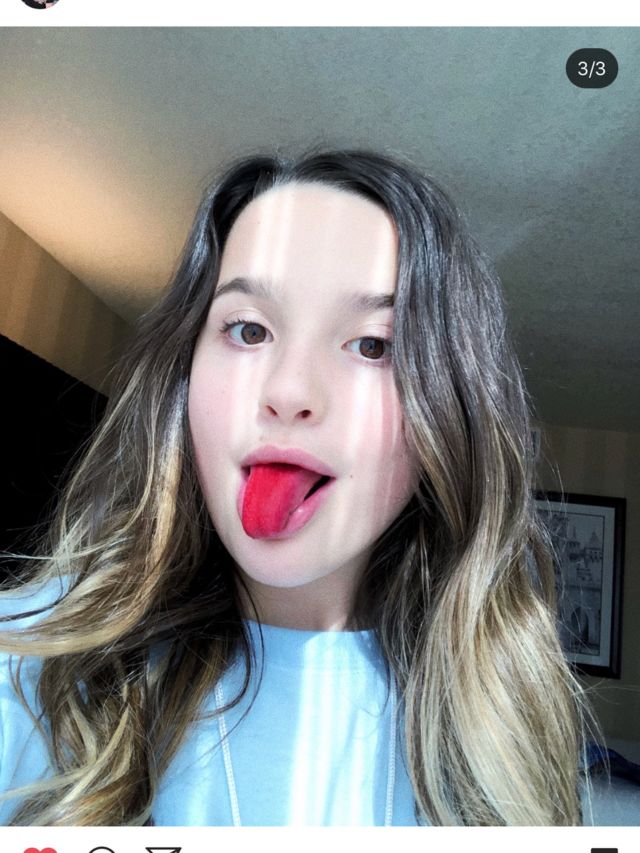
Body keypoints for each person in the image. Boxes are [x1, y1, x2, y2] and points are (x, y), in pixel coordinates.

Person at [0, 148, 637, 826]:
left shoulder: (508, 716)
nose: (289, 390)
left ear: (447, 410)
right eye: (249, 329)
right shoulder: (32, 664)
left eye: (373, 344)